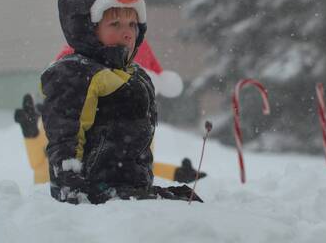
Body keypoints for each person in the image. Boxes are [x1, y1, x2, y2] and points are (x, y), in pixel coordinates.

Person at [38, 0, 202, 204]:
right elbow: (66, 135)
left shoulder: (136, 74)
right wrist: (71, 186)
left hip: (128, 189)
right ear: (88, 29)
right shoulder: (76, 73)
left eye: (132, 25)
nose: (127, 33)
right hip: (94, 192)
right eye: (115, 24)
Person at [14, 41, 205, 185]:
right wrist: (31, 134)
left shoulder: (134, 122)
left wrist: (176, 174)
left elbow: (137, 167)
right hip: (53, 204)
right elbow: (41, 165)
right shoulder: (65, 112)